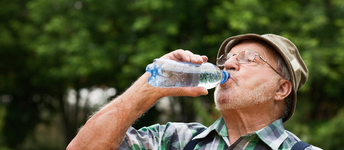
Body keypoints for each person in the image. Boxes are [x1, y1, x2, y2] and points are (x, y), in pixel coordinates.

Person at [67, 33, 322, 150]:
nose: (228, 64)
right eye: (227, 58)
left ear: (281, 89)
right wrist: (148, 87)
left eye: (249, 58)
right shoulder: (174, 140)